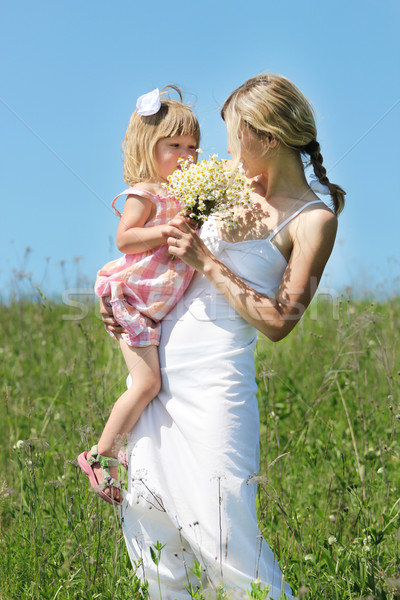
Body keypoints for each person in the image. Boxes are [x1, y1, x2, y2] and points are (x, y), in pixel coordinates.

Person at [100, 74, 345, 598]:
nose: (226, 149)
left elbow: (281, 320)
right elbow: (158, 253)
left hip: (216, 384)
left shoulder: (313, 220)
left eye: (236, 135)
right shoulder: (230, 188)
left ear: (268, 137)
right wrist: (124, 304)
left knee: (225, 534)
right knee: (154, 525)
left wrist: (206, 260)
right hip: (160, 377)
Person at [78, 86, 200, 504]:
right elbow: (124, 238)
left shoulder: (188, 195)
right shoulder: (146, 192)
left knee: (149, 382)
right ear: (149, 147)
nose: (186, 155)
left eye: (193, 147)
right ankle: (102, 452)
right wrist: (162, 232)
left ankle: (125, 449)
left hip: (151, 305)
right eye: (175, 145)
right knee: (148, 382)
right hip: (130, 297)